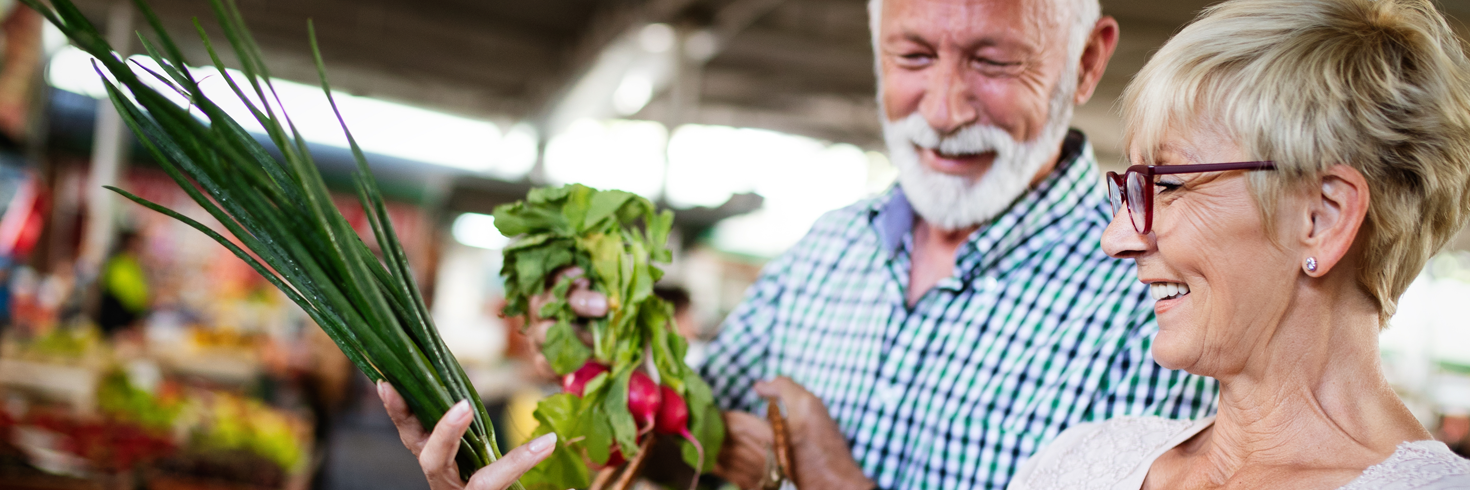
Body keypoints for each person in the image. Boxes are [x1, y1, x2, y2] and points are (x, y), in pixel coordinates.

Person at [384, 0, 1220, 488]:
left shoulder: (1159, 302)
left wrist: (828, 473)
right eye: (913, 55)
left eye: (994, 62)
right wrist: (570, 395)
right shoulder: (828, 249)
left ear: (1085, 62)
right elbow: (684, 447)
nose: (942, 107)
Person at [1007, 0, 1470, 488]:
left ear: (1322, 217)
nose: (1116, 237)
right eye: (1131, 187)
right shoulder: (1083, 458)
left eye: (1166, 184)